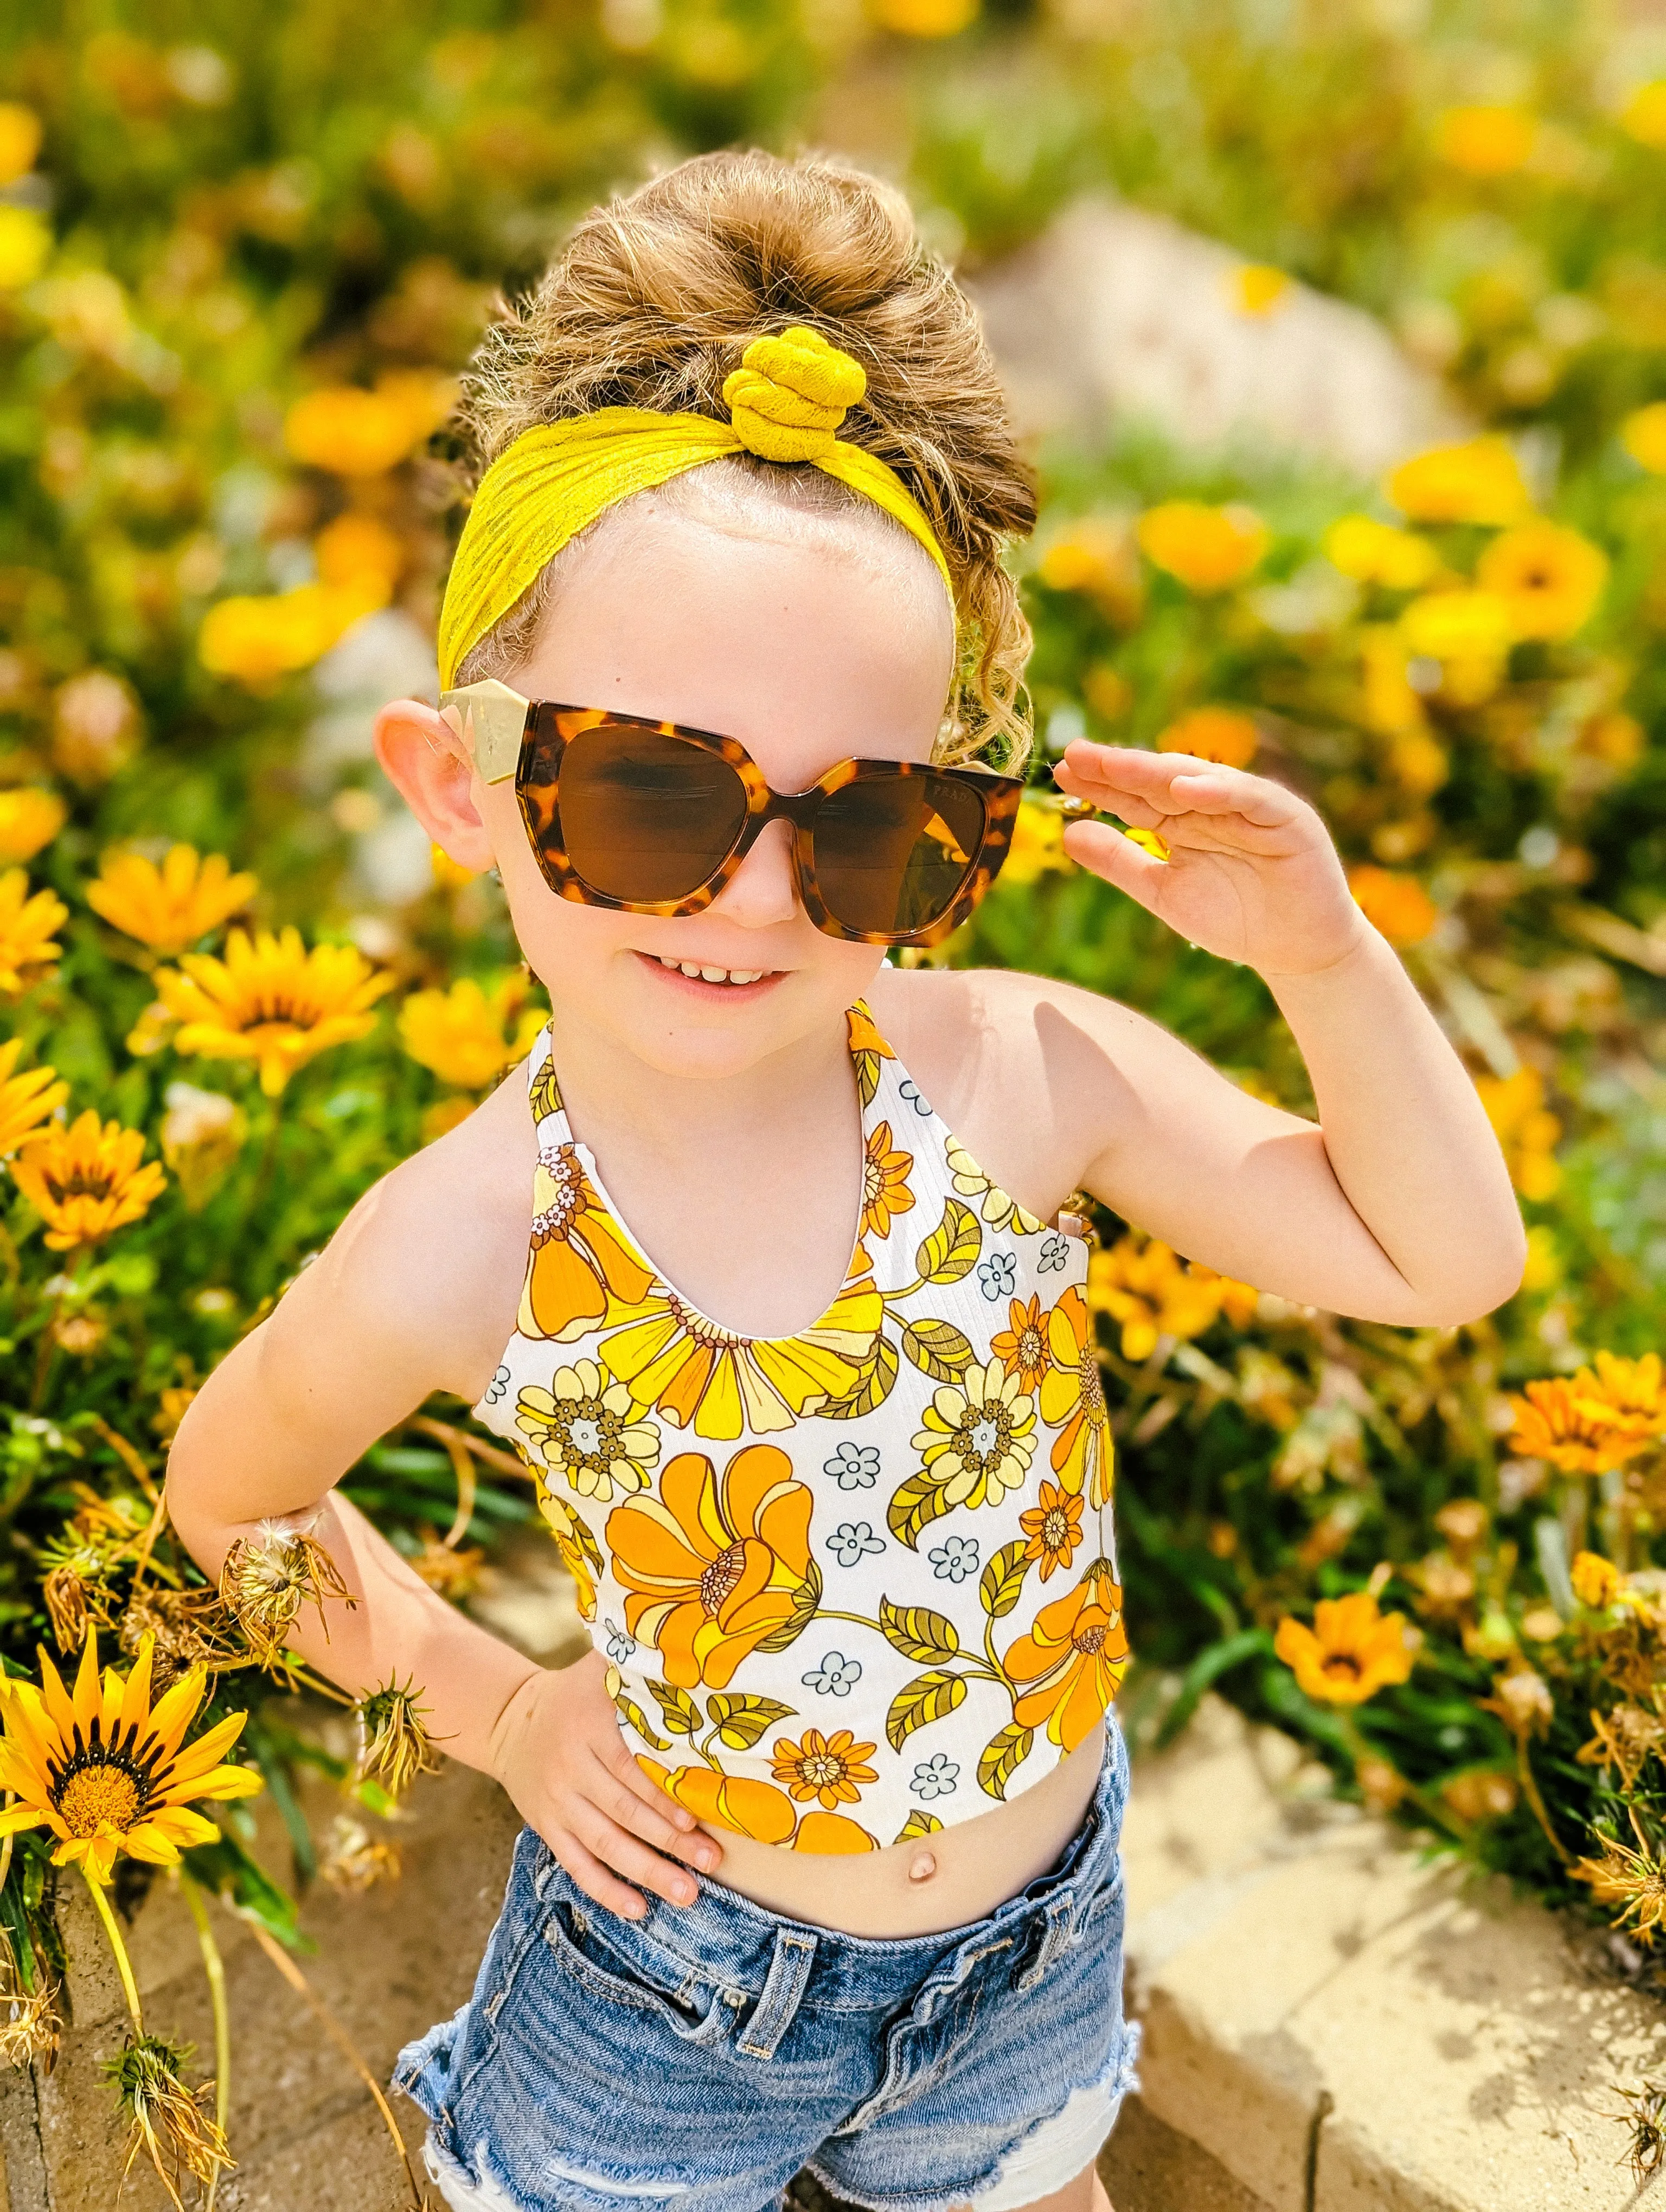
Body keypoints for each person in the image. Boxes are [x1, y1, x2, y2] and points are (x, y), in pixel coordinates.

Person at [165, 148, 1526, 2212]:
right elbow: (231, 1496)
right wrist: (495, 1708)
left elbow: (1443, 1262)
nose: (756, 895)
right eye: (645, 794)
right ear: (463, 783)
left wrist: (1328, 962)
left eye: (868, 829)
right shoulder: (474, 1239)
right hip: (665, 2013)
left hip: (1036, 1954)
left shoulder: (1016, 1073)